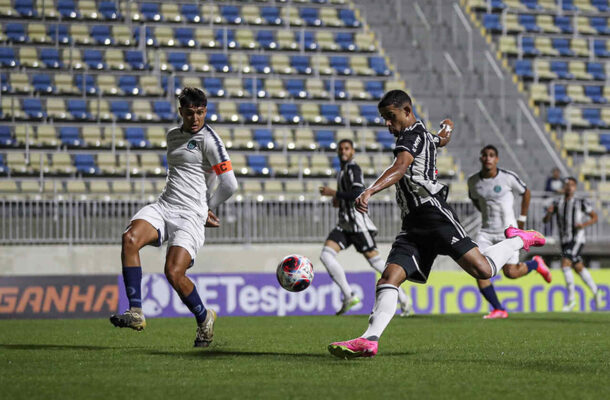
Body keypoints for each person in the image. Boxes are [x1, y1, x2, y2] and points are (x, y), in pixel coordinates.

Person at [327, 90, 545, 359]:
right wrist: (447, 128)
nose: (387, 124)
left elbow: (400, 167)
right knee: (389, 278)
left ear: (407, 112)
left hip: (434, 214)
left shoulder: (411, 136)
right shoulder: (424, 135)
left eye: (390, 117)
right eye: (384, 118)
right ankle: (369, 339)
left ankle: (521, 239)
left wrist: (370, 190)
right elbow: (440, 139)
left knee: (483, 270)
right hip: (412, 224)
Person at [110, 87, 238, 347]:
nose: (195, 118)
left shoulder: (210, 141)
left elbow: (229, 184)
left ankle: (204, 319)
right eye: (190, 113)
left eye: (200, 113)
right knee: (129, 239)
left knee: (173, 272)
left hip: (191, 215)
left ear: (205, 111)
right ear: (181, 112)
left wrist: (206, 208)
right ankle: (135, 312)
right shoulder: (172, 136)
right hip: (165, 205)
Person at [319, 138, 413, 316]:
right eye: (340, 149)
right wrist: (338, 200)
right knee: (326, 255)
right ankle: (348, 295)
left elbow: (357, 192)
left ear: (352, 152)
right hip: (345, 224)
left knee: (377, 263)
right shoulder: (342, 172)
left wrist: (334, 193)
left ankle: (404, 299)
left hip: (357, 224)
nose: (343, 152)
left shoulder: (353, 168)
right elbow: (349, 195)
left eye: (347, 148)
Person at [467, 145, 551, 319]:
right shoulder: (473, 181)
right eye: (485, 155)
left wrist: (522, 218)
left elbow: (526, 192)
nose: (488, 158)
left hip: (508, 231)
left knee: (511, 273)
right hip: (486, 233)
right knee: (478, 269)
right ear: (481, 158)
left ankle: (535, 263)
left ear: (496, 159)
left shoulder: (507, 177)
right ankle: (499, 308)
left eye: (491, 155)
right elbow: (474, 198)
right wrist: (484, 212)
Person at [543, 177, 603, 311]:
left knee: (565, 264)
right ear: (564, 187)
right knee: (578, 267)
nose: (569, 187)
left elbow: (594, 217)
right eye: (567, 185)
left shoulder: (580, 202)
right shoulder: (557, 202)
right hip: (564, 240)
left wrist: (583, 225)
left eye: (572, 185)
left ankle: (571, 300)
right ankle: (596, 291)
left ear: (575, 187)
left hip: (577, 238)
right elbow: (545, 220)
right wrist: (549, 213)